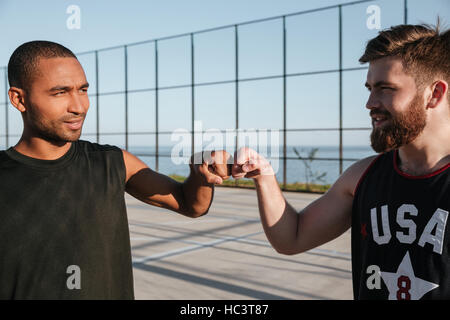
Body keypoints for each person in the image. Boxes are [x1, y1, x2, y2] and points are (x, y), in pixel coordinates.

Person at [232, 22, 450, 300]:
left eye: (386, 88)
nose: (370, 103)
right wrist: (264, 176)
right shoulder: (362, 176)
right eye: (369, 88)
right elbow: (292, 237)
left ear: (434, 94)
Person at [0, 40, 231, 299]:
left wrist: (200, 175)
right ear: (19, 99)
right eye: (60, 92)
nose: (79, 106)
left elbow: (190, 204)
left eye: (83, 90)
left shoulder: (112, 161)